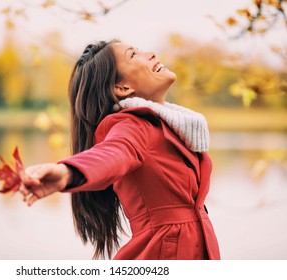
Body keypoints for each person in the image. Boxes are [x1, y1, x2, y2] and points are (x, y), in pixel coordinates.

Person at [18, 39, 221, 260]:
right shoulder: (131, 127)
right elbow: (113, 154)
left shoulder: (172, 127)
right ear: (122, 87)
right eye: (133, 55)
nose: (151, 54)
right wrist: (68, 173)